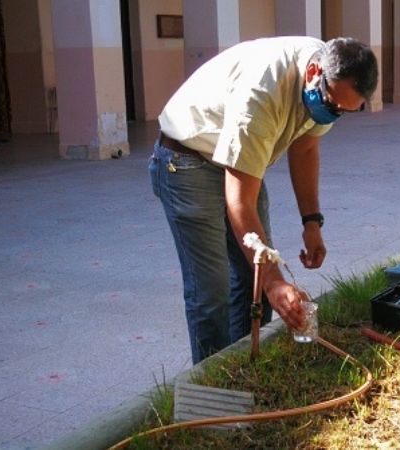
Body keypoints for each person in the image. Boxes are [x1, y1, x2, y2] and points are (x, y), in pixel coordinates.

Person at [150, 36, 378, 364]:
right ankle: (214, 382)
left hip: (233, 158)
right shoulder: (262, 94)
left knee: (253, 277)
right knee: (212, 290)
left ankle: (244, 365)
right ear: (314, 71)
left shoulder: (325, 81)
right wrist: (274, 282)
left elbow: (306, 147)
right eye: (332, 105)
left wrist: (311, 223)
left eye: (343, 111)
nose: (332, 114)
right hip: (186, 160)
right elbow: (239, 201)